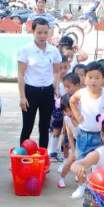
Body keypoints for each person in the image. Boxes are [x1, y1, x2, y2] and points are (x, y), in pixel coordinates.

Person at [70, 62, 104, 197]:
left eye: (97, 77)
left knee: (101, 162)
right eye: (90, 77)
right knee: (81, 162)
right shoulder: (81, 93)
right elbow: (72, 101)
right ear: (85, 78)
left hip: (101, 136)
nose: (93, 80)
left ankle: (97, 186)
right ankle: (82, 186)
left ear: (103, 79)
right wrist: (77, 114)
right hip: (84, 135)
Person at [18, 18, 63, 149]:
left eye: (45, 32)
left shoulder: (53, 51)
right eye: (39, 32)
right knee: (27, 126)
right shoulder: (25, 50)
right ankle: (22, 156)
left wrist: (56, 88)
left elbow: (57, 71)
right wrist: (22, 96)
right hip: (30, 91)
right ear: (33, 32)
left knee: (44, 126)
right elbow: (20, 75)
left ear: (49, 32)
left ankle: (42, 156)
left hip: (47, 91)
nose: (42, 36)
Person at [56, 94, 79, 190]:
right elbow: (69, 135)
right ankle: (61, 179)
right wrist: (73, 149)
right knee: (70, 159)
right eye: (65, 111)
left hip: (86, 141)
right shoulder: (67, 119)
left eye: (70, 110)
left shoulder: (83, 117)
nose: (68, 113)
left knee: (90, 162)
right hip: (76, 141)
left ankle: (82, 178)